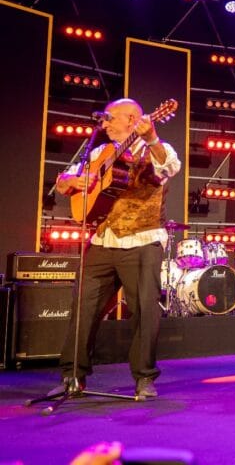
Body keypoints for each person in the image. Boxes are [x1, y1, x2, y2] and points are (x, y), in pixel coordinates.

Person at [52, 98, 181, 398]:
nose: (105, 124)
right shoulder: (100, 152)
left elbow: (169, 166)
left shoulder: (158, 147)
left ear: (132, 120)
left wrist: (152, 138)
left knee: (145, 310)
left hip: (143, 240)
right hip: (103, 240)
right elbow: (62, 181)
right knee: (84, 307)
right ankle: (73, 375)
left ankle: (144, 378)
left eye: (110, 118)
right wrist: (74, 181)